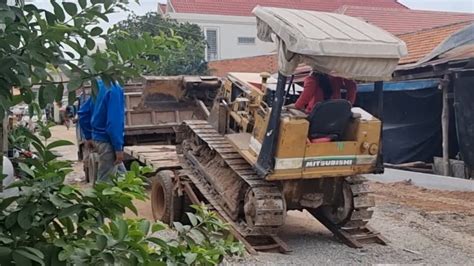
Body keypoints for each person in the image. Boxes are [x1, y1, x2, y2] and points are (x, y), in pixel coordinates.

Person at [78, 79, 126, 183]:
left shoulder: (99, 86)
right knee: (105, 184)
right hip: (107, 142)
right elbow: (114, 123)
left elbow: (83, 113)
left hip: (98, 140)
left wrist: (89, 136)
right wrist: (118, 148)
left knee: (125, 179)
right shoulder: (115, 89)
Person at [291, 71, 357, 114]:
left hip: (316, 114)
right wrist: (348, 104)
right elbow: (352, 86)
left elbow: (306, 96)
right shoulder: (337, 78)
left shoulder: (312, 79)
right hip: (336, 113)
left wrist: (297, 106)